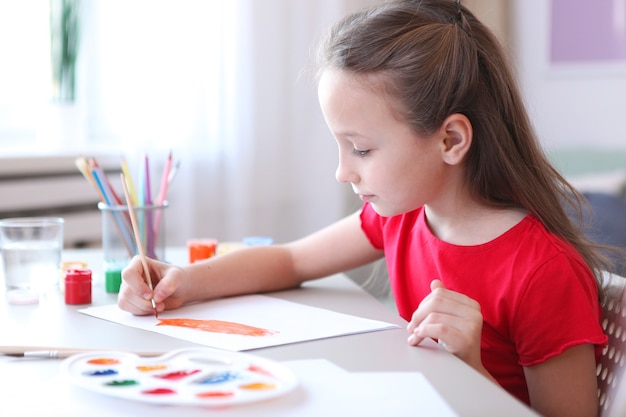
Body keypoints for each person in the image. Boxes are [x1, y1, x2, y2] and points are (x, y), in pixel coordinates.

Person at [118, 1, 610, 416]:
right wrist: (183, 282)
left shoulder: (544, 273)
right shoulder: (401, 216)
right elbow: (292, 260)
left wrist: (473, 369)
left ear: (451, 140)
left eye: (361, 149)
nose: (342, 172)